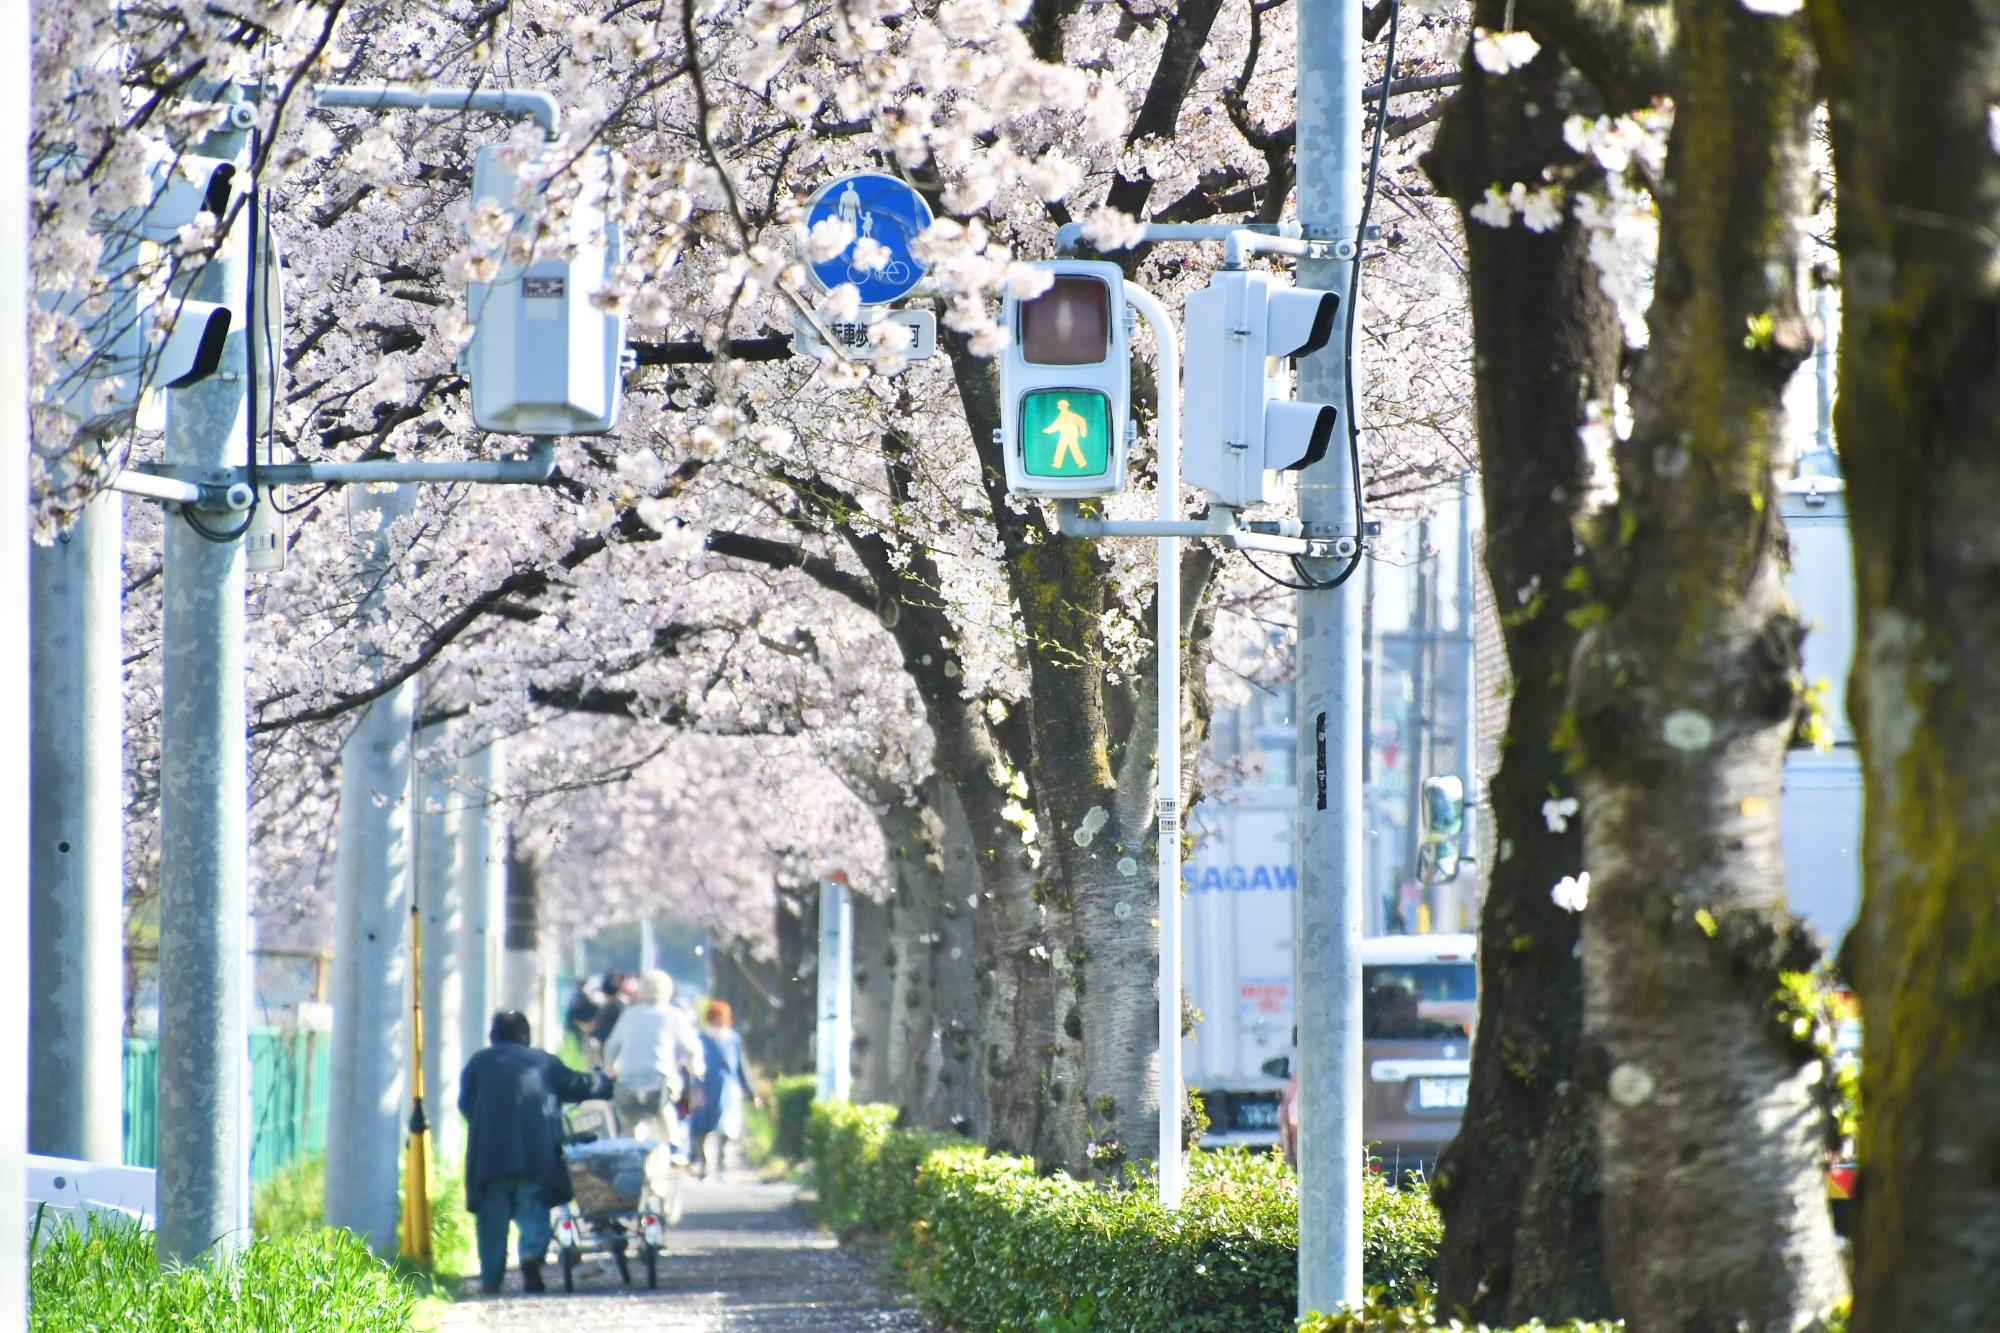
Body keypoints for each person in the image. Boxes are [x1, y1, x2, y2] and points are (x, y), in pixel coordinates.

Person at [458, 1010, 612, 1295]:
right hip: (535, 1155)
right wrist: (603, 1081)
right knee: (533, 1210)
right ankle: (531, 1256)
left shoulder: (478, 1064)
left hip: (490, 1158)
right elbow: (576, 1084)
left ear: (494, 1035)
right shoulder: (543, 1062)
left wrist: (486, 1127)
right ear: (525, 1035)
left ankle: (491, 1280)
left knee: (491, 1219)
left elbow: (466, 1104)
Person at [601, 970, 704, 1147]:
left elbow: (611, 1047)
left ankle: (629, 1144)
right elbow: (691, 1049)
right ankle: (673, 1149)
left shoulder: (629, 1014)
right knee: (666, 1113)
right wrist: (696, 1069)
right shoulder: (673, 1015)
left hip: (628, 1082)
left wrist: (610, 1068)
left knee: (628, 1124)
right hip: (660, 1082)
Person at [690, 999, 761, 1180]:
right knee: (701, 1129)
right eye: (715, 1017)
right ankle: (704, 1164)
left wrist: (752, 1094)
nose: (718, 1021)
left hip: (728, 1090)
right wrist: (691, 1090)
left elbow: (741, 1068)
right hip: (705, 1088)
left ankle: (721, 1164)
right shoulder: (700, 1039)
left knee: (727, 1129)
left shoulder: (733, 1039)